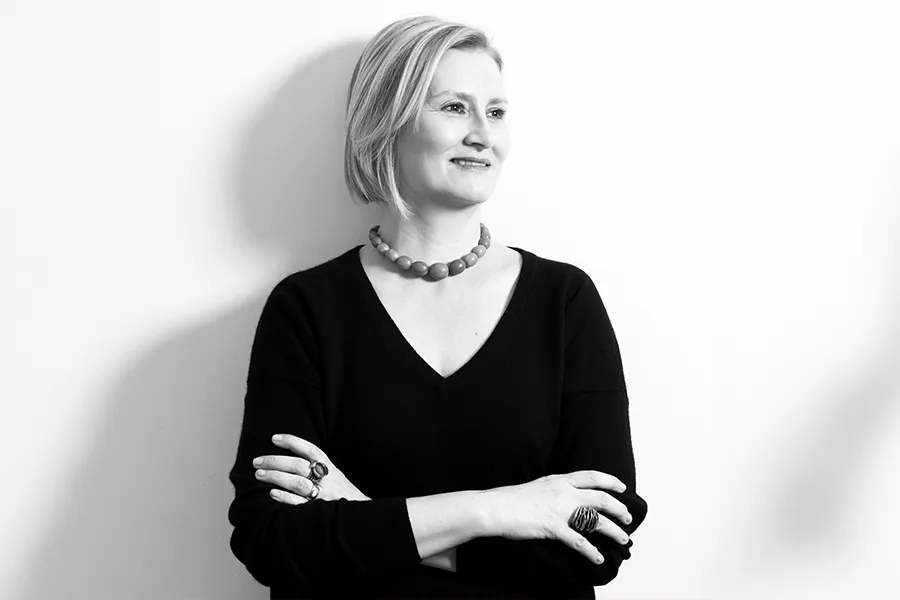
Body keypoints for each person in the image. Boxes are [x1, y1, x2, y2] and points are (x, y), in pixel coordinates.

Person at [228, 14, 648, 599]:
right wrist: (500, 510)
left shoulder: (565, 302)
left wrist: (362, 512)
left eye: (496, 112)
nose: (482, 134)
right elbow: (273, 539)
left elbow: (599, 540)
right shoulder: (306, 309)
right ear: (387, 122)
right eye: (454, 108)